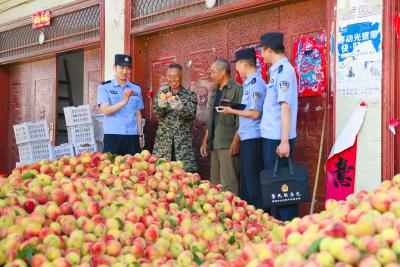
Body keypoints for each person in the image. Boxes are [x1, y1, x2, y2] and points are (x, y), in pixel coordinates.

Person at [218, 48, 266, 209]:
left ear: (244, 64)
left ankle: (260, 220)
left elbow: (254, 114)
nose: (236, 68)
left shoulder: (257, 83)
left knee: (253, 187)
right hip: (246, 139)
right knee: (245, 186)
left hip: (254, 140)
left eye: (237, 64)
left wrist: (231, 110)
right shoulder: (248, 83)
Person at [259, 32, 299, 221]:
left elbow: (285, 107)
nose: (261, 55)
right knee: (275, 188)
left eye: (262, 51)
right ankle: (278, 226)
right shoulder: (276, 71)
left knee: (284, 189)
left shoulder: (284, 72)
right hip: (271, 137)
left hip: (279, 139)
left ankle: (289, 228)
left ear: (269, 50)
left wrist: (284, 142)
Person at [200, 59, 242, 195]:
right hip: (214, 143)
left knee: (229, 183)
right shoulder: (215, 92)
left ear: (223, 72)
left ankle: (234, 212)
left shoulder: (237, 90)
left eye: (213, 71)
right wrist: (205, 141)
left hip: (228, 143)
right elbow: (212, 118)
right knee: (216, 184)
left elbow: (241, 118)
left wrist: (236, 140)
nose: (210, 75)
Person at [153, 63, 197, 172]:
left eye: (175, 76)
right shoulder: (161, 94)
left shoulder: (190, 95)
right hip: (163, 145)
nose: (172, 79)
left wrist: (180, 108)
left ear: (181, 76)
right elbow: (158, 114)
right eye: (169, 76)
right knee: (162, 178)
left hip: (183, 146)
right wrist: (160, 107)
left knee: (185, 177)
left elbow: (191, 115)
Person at [97, 54, 144, 155]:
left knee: (133, 169)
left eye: (128, 68)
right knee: (111, 168)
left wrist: (140, 136)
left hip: (132, 137)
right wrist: (123, 102)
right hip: (113, 136)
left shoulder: (136, 88)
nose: (125, 71)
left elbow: (138, 114)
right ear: (114, 67)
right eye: (122, 68)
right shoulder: (104, 87)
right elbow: (105, 111)